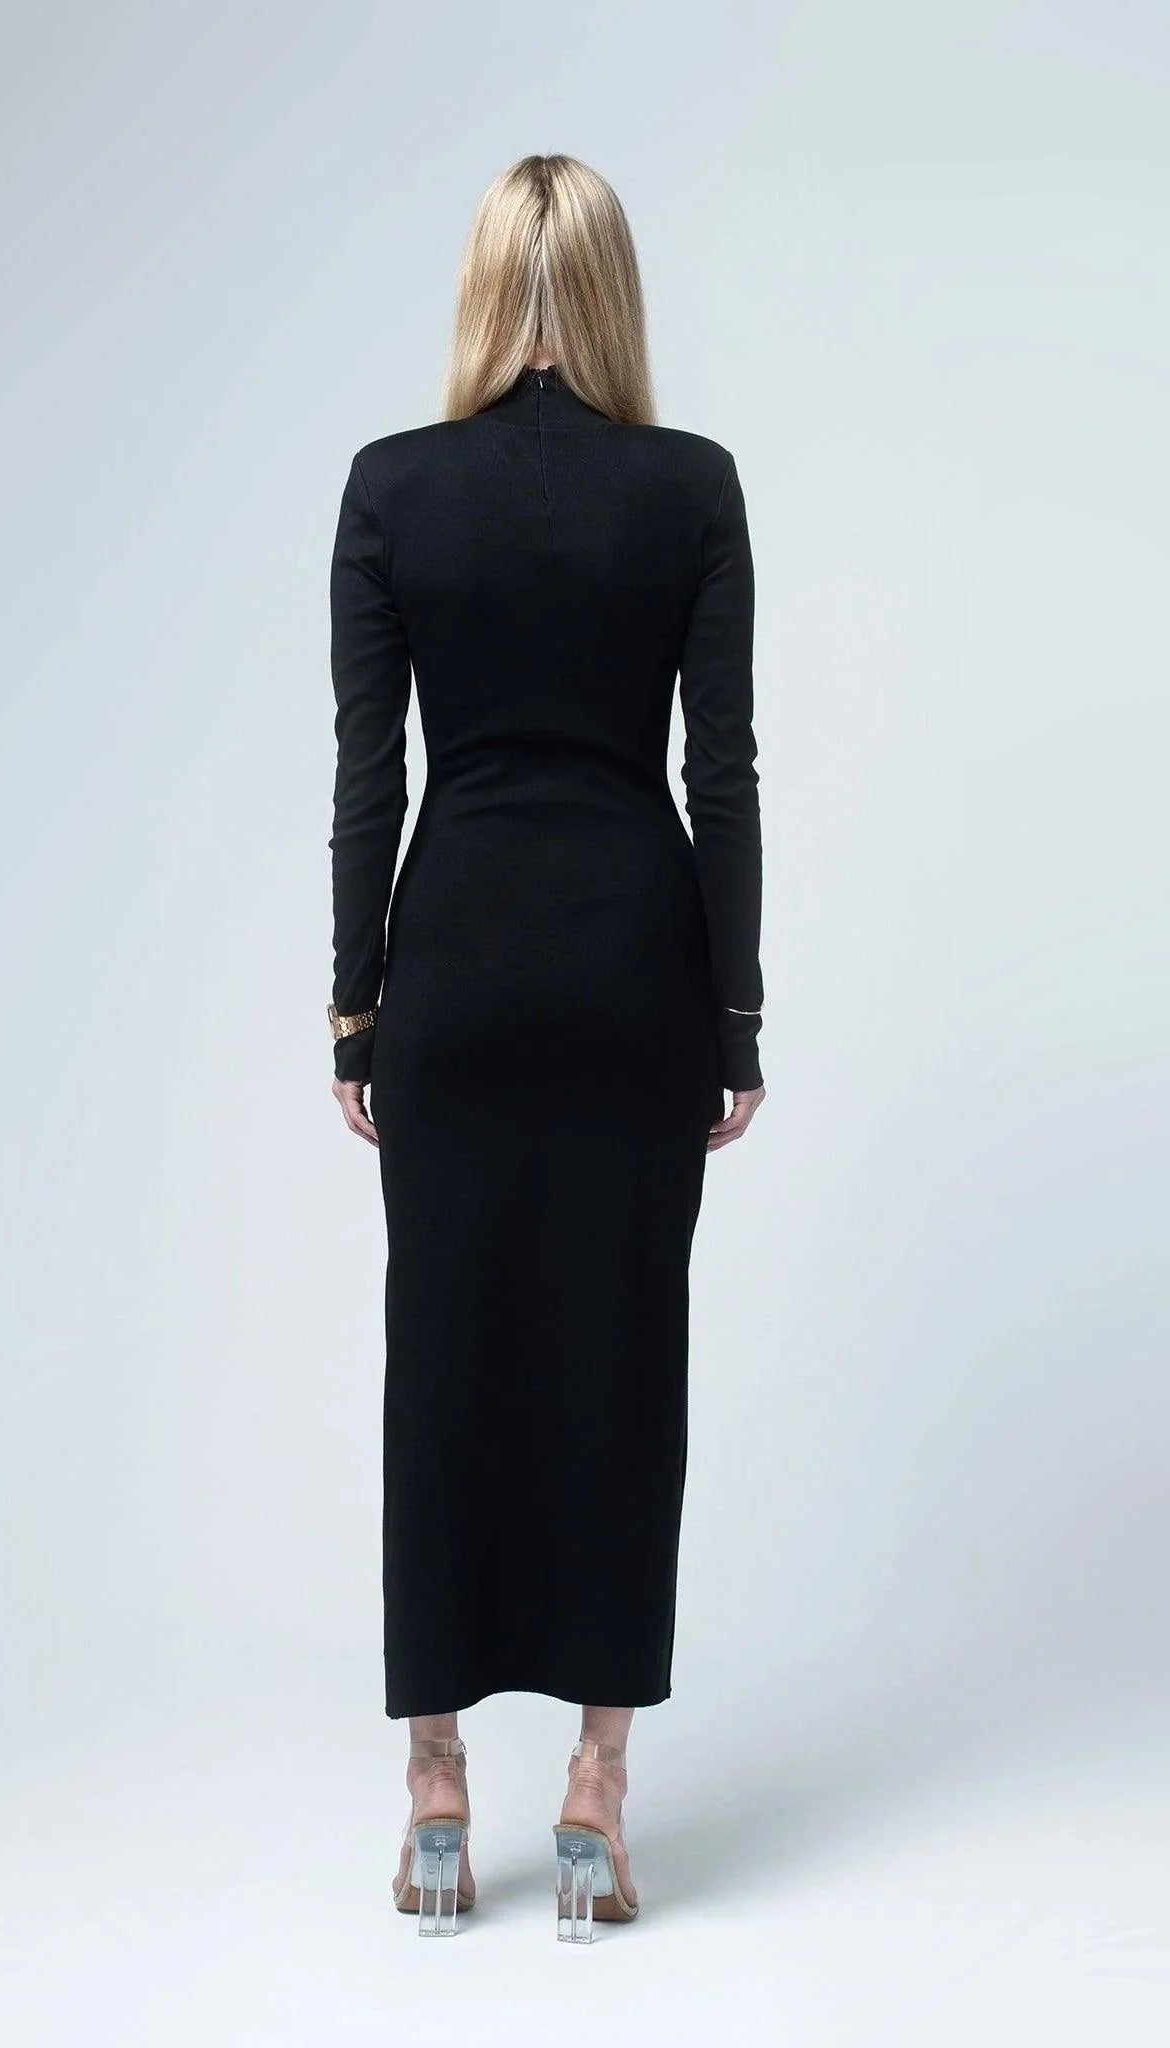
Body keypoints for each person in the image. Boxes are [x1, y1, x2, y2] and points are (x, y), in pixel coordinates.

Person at [325, 153, 766, 1940]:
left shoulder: (392, 488)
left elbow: (370, 773)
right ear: (610, 290)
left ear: (480, 286)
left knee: (440, 1359)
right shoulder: (692, 488)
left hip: (455, 968)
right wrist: (736, 1012)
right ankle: (595, 1785)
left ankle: (436, 1783)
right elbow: (720, 768)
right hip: (629, 972)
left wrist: (356, 1002)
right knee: (620, 1364)